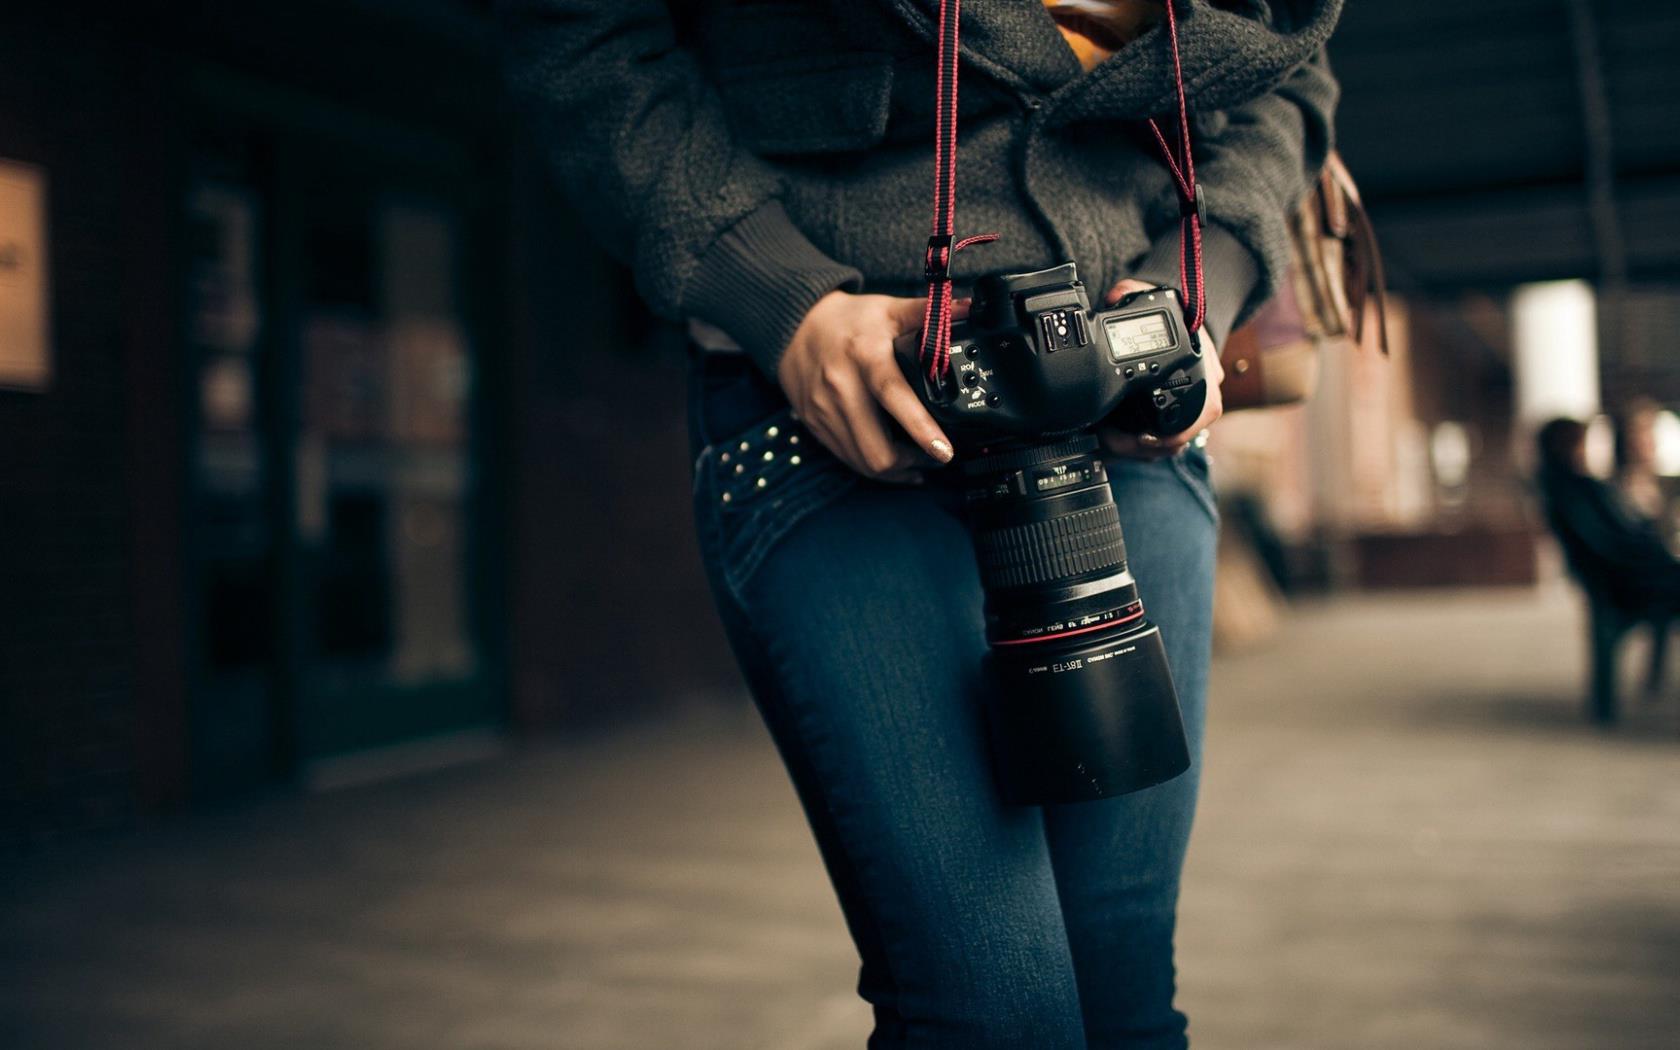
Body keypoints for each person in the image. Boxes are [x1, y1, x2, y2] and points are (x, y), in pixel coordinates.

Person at [501, 2, 1340, 1046]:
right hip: (834, 401)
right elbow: (579, 32)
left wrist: (1183, 300)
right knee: (992, 1011)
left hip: (1121, 410)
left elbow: (1290, 75)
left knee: (1124, 991)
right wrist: (779, 297)